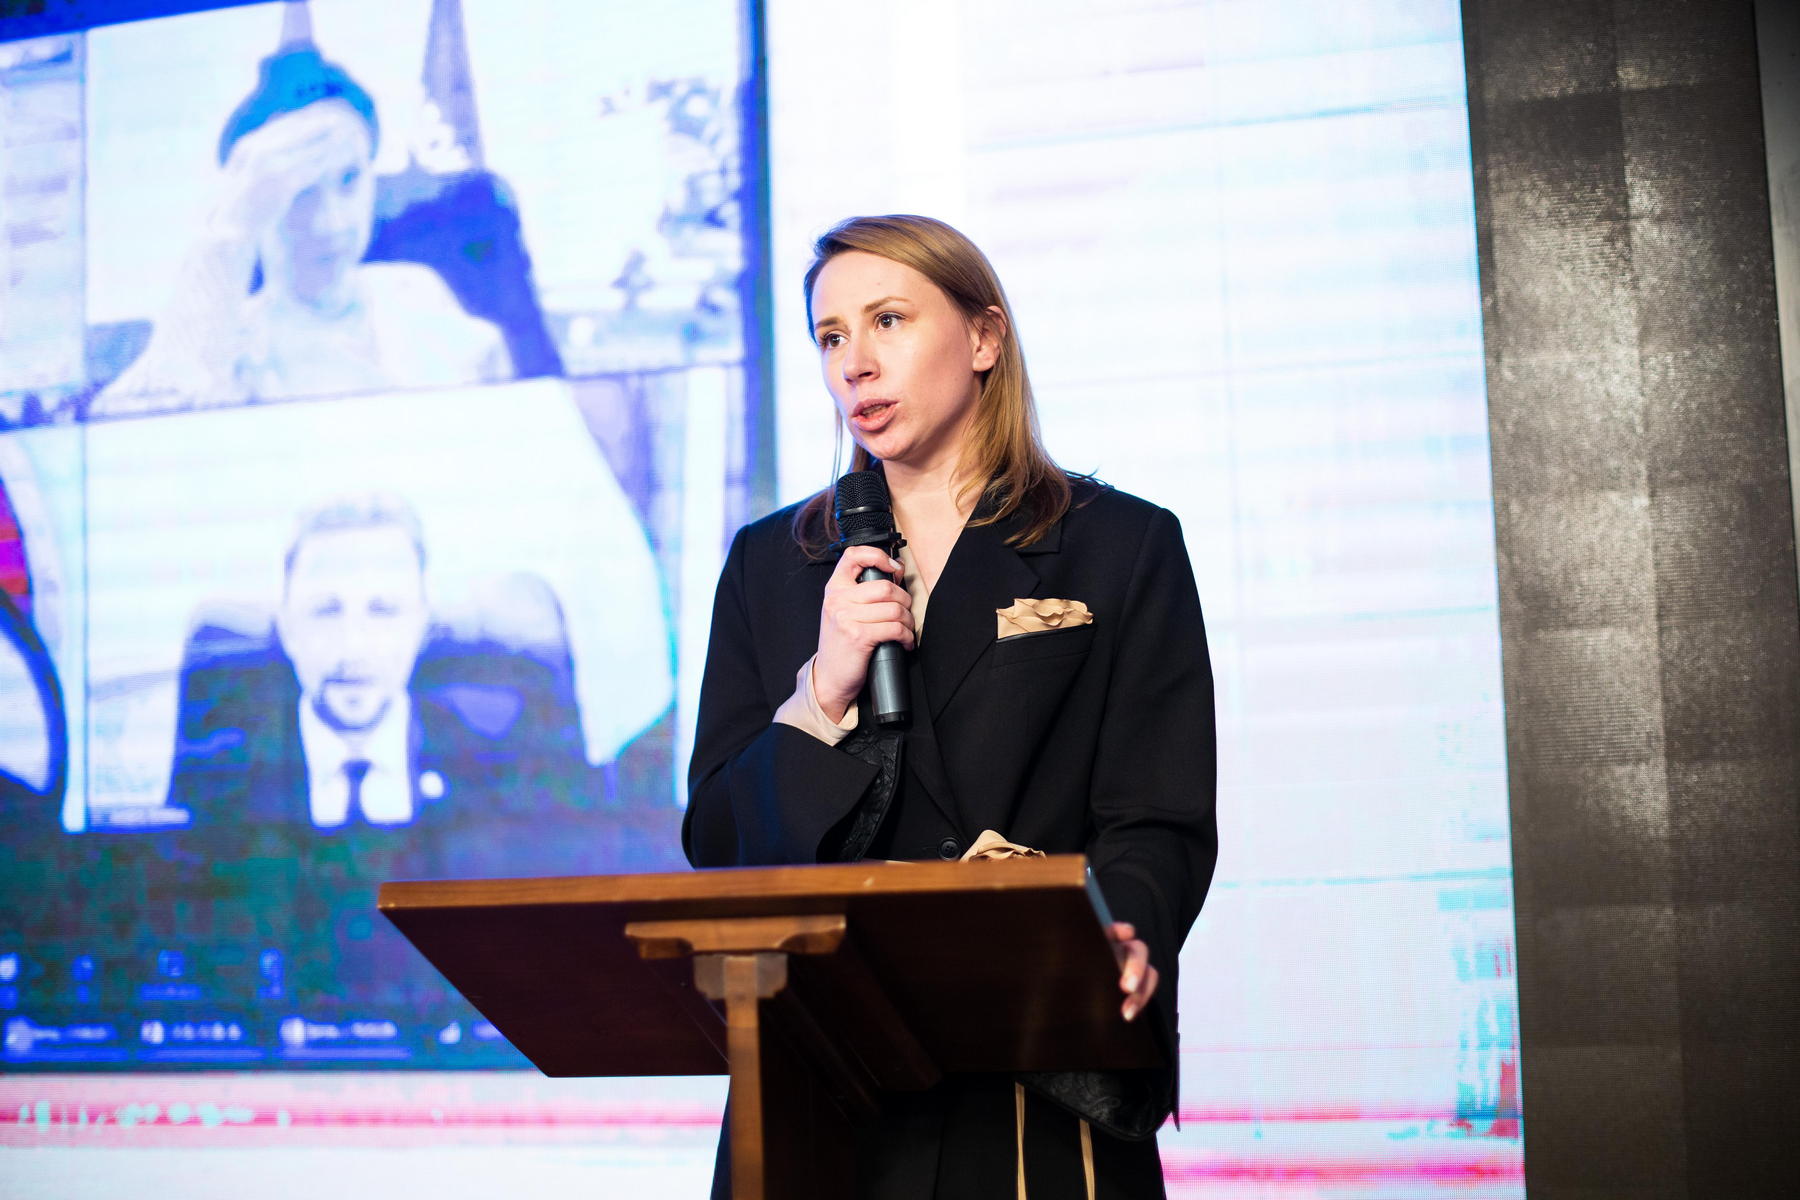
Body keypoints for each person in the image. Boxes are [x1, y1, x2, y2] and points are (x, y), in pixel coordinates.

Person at [685, 215, 1217, 1198]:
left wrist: (1123, 926)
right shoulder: (772, 563)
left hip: (1032, 1062)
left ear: (983, 337)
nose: (854, 362)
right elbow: (719, 840)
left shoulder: (1119, 545)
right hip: (824, 1081)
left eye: (887, 320)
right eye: (831, 336)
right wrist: (822, 691)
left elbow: (1157, 819)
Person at [167, 494, 586, 867]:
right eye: (326, 611)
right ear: (288, 628)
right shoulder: (221, 789)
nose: (354, 647)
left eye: (383, 610)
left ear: (421, 624)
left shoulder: (496, 780)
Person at [91, 45, 510, 417]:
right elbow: (140, 422)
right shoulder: (227, 347)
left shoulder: (414, 292)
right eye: (299, 193)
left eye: (349, 180)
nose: (331, 222)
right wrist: (231, 226)